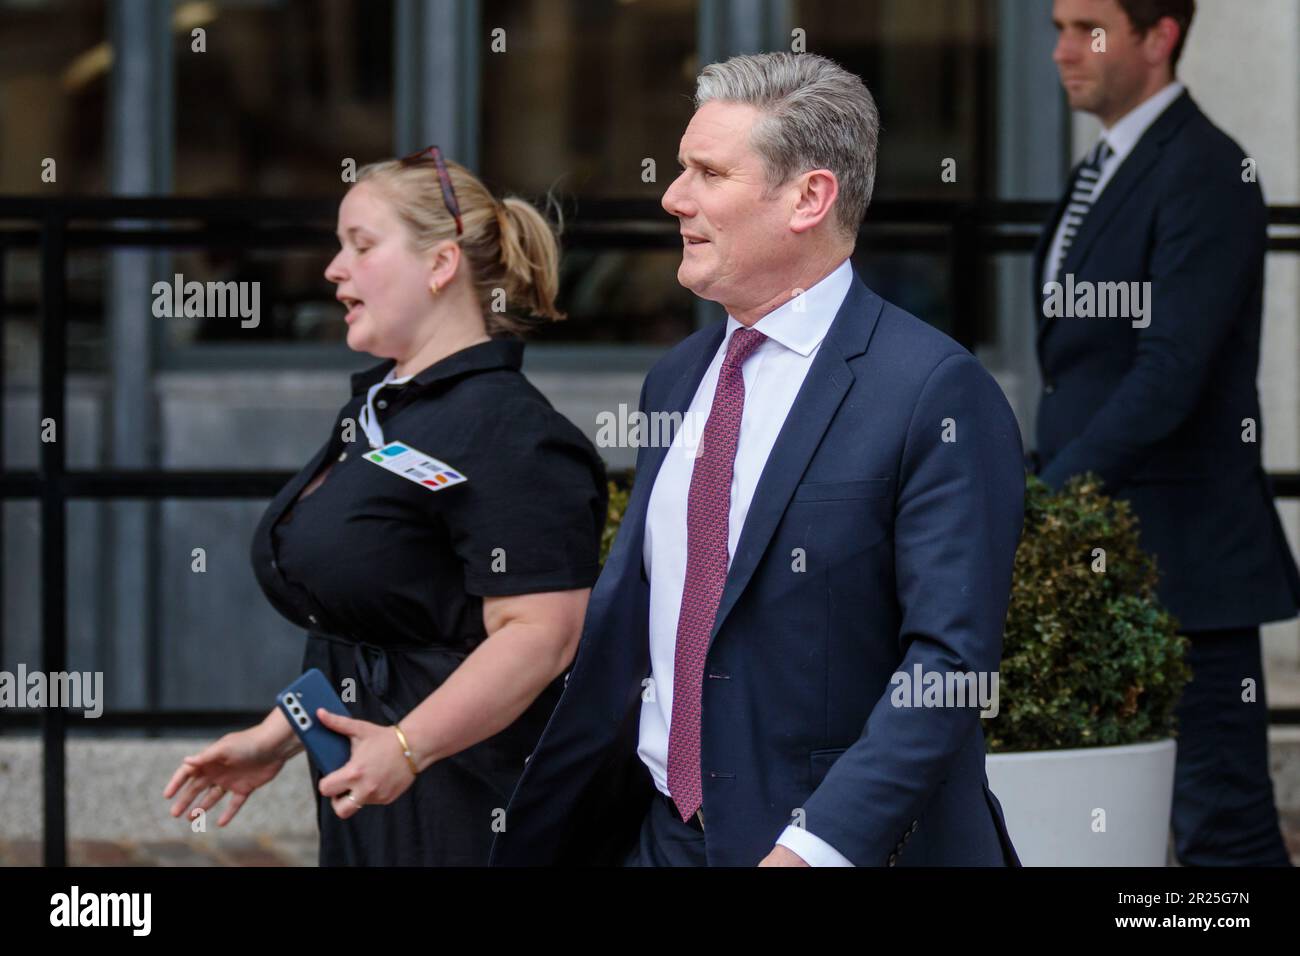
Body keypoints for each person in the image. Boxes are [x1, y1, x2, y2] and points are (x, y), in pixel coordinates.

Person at [490, 52, 1025, 867]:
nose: (674, 197)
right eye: (680, 169)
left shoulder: (934, 389)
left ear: (809, 197)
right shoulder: (675, 378)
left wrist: (817, 849)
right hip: (660, 837)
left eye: (708, 172)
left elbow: (948, 668)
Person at [163, 146, 608, 865]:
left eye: (361, 246)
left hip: (469, 812)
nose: (333, 270)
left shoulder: (508, 431)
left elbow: (543, 634)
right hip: (374, 805)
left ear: (439, 266)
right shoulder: (384, 413)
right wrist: (277, 736)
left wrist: (408, 746)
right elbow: (375, 631)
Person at [1035, 0, 1300, 866]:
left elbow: (1169, 375)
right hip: (1118, 555)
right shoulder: (1105, 166)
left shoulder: (1206, 168)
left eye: (1089, 28)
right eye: (1057, 27)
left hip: (1189, 568)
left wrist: (1048, 502)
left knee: (1223, 831)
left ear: (1161, 36)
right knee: (1125, 823)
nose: (1063, 50)